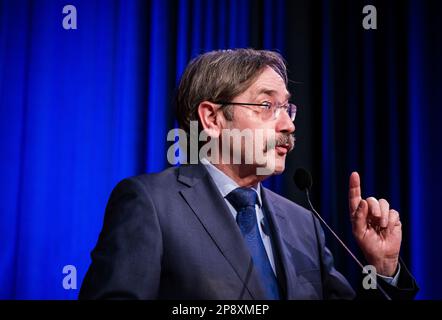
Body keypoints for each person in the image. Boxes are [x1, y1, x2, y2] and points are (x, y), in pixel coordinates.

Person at [79, 49, 418, 299]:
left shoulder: (304, 224)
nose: (288, 125)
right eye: (266, 106)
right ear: (212, 119)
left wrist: (382, 268)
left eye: (288, 108)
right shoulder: (151, 204)